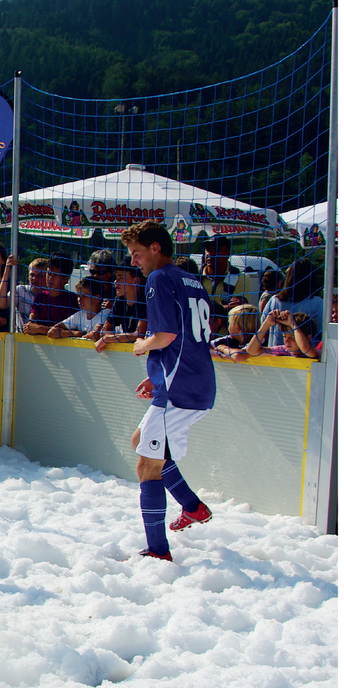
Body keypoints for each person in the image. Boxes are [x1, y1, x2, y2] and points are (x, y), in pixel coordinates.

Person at [120, 219, 216, 562]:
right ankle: (192, 506)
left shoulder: (159, 278)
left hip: (180, 389)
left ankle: (158, 552)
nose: (133, 261)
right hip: (193, 382)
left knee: (147, 466)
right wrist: (156, 375)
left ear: (155, 248)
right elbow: (187, 337)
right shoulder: (193, 280)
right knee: (139, 442)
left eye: (136, 253)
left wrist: (142, 345)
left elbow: (166, 336)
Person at [260, 258, 323, 349]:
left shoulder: (275, 300)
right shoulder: (318, 303)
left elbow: (263, 329)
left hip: (277, 354)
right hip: (307, 357)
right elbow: (323, 333)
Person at [201, 235, 252, 336]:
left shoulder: (241, 278)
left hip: (226, 340)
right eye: (208, 249)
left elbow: (236, 312)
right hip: (197, 337)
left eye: (217, 250)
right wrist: (223, 308)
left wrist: (202, 309)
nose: (210, 254)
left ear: (228, 253)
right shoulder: (195, 277)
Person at [94, 257, 148, 351]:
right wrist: (110, 337)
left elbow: (138, 335)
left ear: (136, 281)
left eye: (121, 278)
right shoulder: (120, 300)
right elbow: (104, 331)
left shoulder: (146, 301)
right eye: (116, 277)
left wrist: (108, 338)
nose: (116, 282)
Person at [23, 253, 77, 335]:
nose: (50, 278)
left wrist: (40, 328)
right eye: (49, 273)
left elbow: (71, 330)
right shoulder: (40, 297)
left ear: (66, 278)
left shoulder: (72, 299)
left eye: (55, 275)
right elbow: (30, 326)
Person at [47, 277, 111, 339]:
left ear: (97, 298)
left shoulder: (106, 313)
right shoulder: (80, 315)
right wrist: (75, 333)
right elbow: (52, 332)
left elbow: (95, 335)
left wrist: (78, 335)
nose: (79, 300)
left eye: (84, 296)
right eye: (78, 296)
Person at [0, 255, 43, 331]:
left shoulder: (52, 295)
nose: (35, 278)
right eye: (32, 275)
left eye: (40, 276)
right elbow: (1, 304)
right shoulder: (20, 290)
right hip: (21, 339)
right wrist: (7, 270)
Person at [247, 310, 319, 360]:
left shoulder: (314, 353)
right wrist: (267, 324)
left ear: (308, 338)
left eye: (292, 337)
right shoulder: (283, 350)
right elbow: (252, 351)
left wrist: (293, 325)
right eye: (284, 336)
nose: (286, 340)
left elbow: (304, 348)